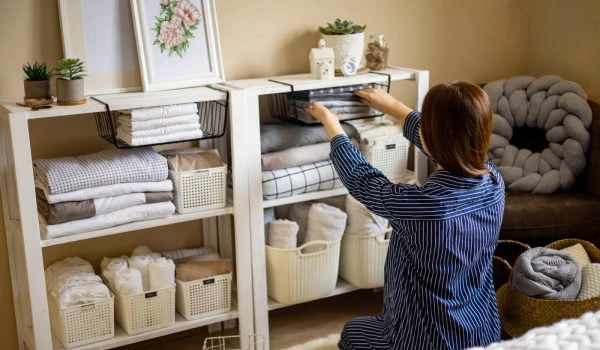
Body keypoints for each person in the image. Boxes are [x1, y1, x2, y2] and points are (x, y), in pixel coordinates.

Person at [303, 82, 505, 350]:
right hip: (483, 334)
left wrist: (332, 124)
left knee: (352, 333)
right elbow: (447, 146)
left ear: (433, 137)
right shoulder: (494, 182)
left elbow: (363, 180)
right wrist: (395, 108)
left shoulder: (422, 207)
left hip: (421, 342)